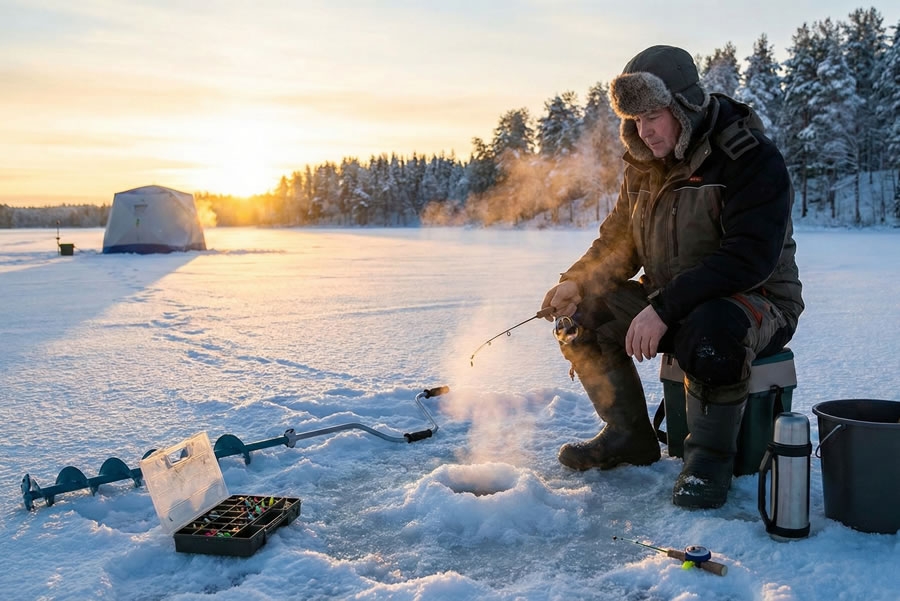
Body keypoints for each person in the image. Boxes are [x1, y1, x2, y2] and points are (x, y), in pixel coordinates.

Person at [540, 45, 803, 509]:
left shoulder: (748, 157)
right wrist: (577, 281)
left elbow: (749, 258)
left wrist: (662, 308)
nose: (644, 131)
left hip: (757, 300)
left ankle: (707, 464)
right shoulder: (642, 166)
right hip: (675, 299)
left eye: (653, 116)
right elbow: (618, 245)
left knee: (711, 329)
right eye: (634, 120)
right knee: (581, 313)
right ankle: (628, 437)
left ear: (685, 105)